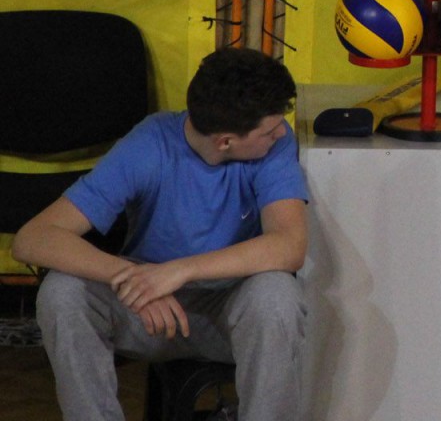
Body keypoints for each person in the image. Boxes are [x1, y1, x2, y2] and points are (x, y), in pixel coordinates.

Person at [13, 46, 308, 421]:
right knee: (61, 292)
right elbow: (33, 238)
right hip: (147, 312)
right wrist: (132, 278)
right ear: (225, 141)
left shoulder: (276, 146)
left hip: (229, 311)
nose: (281, 132)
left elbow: (289, 245)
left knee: (277, 295)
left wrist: (180, 270)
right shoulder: (149, 143)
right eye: (269, 130)